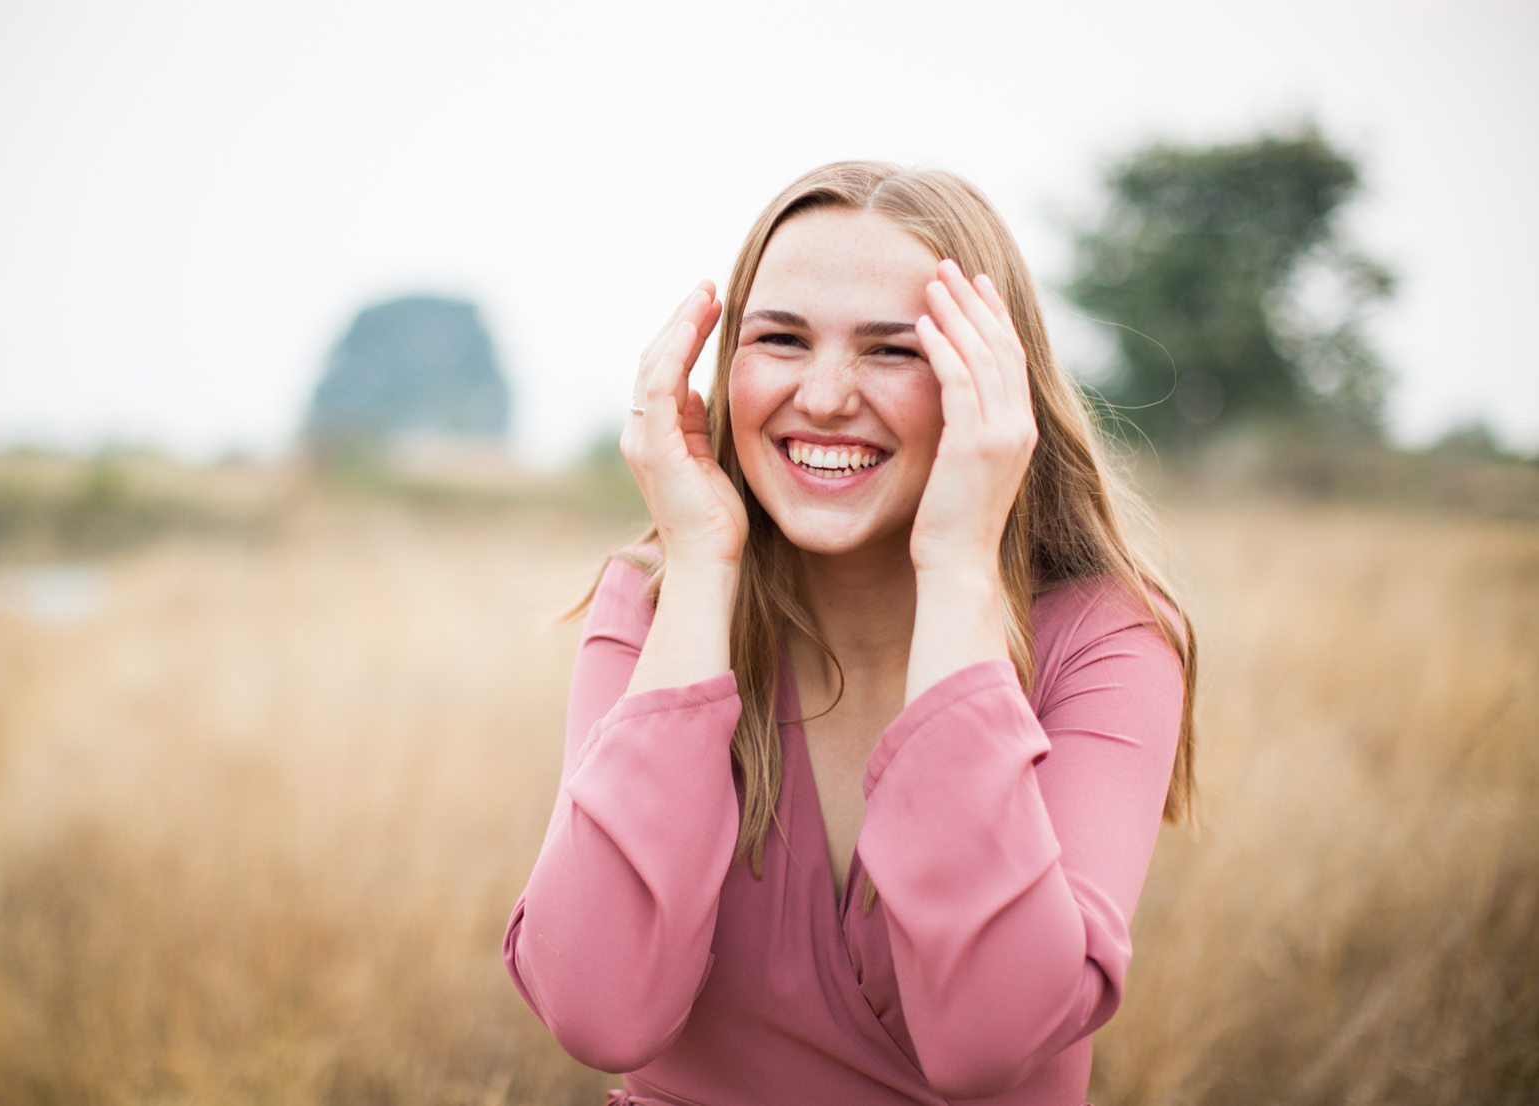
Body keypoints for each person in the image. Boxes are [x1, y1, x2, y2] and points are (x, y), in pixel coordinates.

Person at [503, 162, 1197, 1105]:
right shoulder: (655, 608)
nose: (824, 396)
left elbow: (989, 1038)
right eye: (781, 339)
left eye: (894, 351)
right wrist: (702, 561)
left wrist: (959, 567)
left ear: (989, 381)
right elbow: (597, 1011)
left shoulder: (1106, 639)